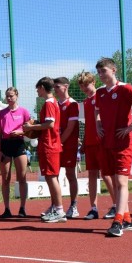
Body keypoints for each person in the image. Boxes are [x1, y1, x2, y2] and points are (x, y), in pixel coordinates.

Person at [94, 57, 132, 237]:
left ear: (113, 70)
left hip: (122, 143)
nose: (101, 75)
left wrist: (131, 126)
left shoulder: (125, 88)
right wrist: (98, 125)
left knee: (121, 182)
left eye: (104, 71)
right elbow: (97, 110)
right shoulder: (100, 93)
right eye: (99, 72)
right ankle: (127, 220)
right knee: (114, 181)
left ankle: (118, 221)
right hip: (107, 142)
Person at [23, 78, 66, 223]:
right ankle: (55, 207)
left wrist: (31, 127)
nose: (37, 91)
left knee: (52, 177)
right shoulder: (52, 102)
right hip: (49, 144)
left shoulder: (49, 103)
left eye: (37, 88)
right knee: (50, 177)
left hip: (50, 144)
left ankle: (59, 210)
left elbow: (50, 124)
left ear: (42, 87)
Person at [77, 71, 116, 220]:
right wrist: (84, 142)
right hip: (90, 143)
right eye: (81, 86)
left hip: (102, 142)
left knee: (106, 175)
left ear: (93, 82)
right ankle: (93, 208)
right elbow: (88, 124)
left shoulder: (101, 96)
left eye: (86, 84)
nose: (84, 88)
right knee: (92, 175)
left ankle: (117, 205)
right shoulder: (86, 102)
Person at [0, 87, 31, 218]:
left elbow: (30, 130)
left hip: (19, 144)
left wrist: (20, 132)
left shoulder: (24, 111)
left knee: (22, 177)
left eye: (11, 96)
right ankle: (7, 209)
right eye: (7, 96)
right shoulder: (1, 113)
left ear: (17, 95)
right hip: (5, 145)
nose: (9, 98)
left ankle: (22, 208)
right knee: (5, 179)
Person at [53, 77, 81, 218]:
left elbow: (70, 128)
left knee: (70, 174)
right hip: (57, 145)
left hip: (68, 145)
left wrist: (59, 142)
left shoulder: (73, 104)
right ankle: (56, 206)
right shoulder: (54, 104)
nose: (55, 89)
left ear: (66, 86)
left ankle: (73, 206)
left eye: (57, 86)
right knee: (54, 175)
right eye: (54, 87)